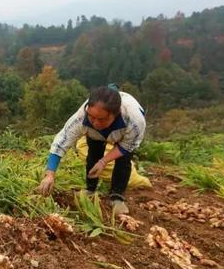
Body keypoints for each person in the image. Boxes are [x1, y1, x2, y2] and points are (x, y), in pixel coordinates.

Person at [38, 84, 146, 215]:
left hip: (122, 137)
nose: (95, 123)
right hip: (95, 135)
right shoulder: (80, 117)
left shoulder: (134, 121)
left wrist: (104, 162)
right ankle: (90, 189)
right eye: (91, 117)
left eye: (102, 119)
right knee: (93, 155)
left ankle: (117, 197)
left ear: (115, 115)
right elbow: (61, 142)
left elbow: (127, 147)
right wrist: (50, 174)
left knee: (123, 162)